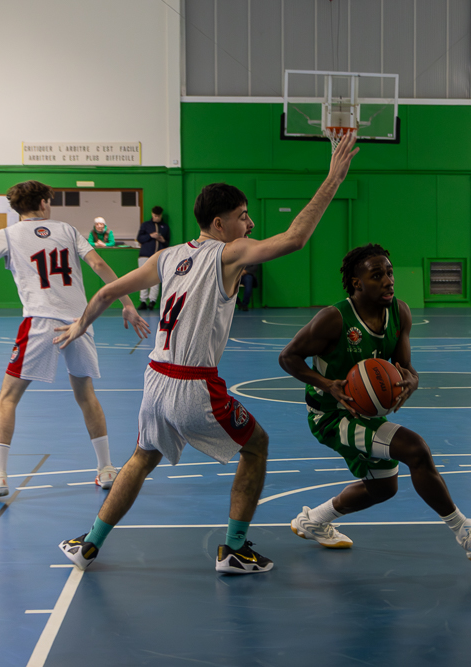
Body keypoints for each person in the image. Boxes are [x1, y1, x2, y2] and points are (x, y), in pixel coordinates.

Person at [55, 132, 359, 575]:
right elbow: (295, 238)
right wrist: (333, 177)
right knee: (256, 446)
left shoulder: (167, 256)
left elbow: (105, 292)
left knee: (142, 458)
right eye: (242, 216)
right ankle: (235, 548)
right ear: (219, 224)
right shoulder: (228, 254)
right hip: (193, 384)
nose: (250, 224)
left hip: (155, 379)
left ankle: (89, 543)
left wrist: (79, 325)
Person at [278, 243, 471, 562]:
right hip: (330, 416)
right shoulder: (333, 319)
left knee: (383, 489)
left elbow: (404, 367)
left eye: (389, 273)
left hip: (361, 413)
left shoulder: (399, 314)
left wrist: (412, 379)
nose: (388, 280)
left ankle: (313, 521)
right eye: (376, 275)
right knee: (416, 450)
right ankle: (467, 532)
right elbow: (287, 357)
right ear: (357, 282)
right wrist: (328, 384)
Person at [0, 181, 149, 498]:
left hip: (40, 322)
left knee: (8, 398)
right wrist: (127, 304)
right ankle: (106, 469)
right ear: (43, 203)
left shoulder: (7, 235)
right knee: (86, 395)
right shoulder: (67, 230)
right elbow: (99, 265)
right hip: (79, 322)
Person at [136, 206, 170, 310]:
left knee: (155, 278)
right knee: (143, 277)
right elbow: (139, 238)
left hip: (158, 256)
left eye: (158, 216)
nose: (157, 218)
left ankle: (152, 300)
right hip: (145, 255)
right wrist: (150, 236)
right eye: (155, 216)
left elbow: (167, 243)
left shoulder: (165, 227)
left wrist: (162, 240)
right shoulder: (146, 225)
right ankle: (143, 300)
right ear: (152, 214)